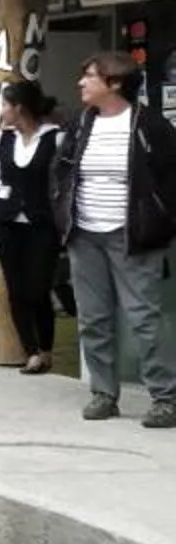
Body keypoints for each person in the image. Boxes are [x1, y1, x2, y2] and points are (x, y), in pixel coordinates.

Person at [50, 51, 176, 426]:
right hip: (84, 235)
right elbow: (61, 172)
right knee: (93, 318)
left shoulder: (151, 125)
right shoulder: (79, 124)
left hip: (133, 234)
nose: (81, 82)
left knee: (144, 318)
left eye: (89, 76)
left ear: (115, 82)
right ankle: (103, 394)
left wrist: (160, 221)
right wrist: (61, 212)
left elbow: (170, 181)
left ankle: (165, 398)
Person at [0, 80, 62, 373]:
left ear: (19, 108)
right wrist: (0, 189)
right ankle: (31, 352)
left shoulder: (55, 137)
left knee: (38, 288)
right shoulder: (4, 138)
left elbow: (68, 175)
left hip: (41, 223)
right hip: (6, 222)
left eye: (6, 105)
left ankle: (46, 348)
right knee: (16, 289)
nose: (3, 112)